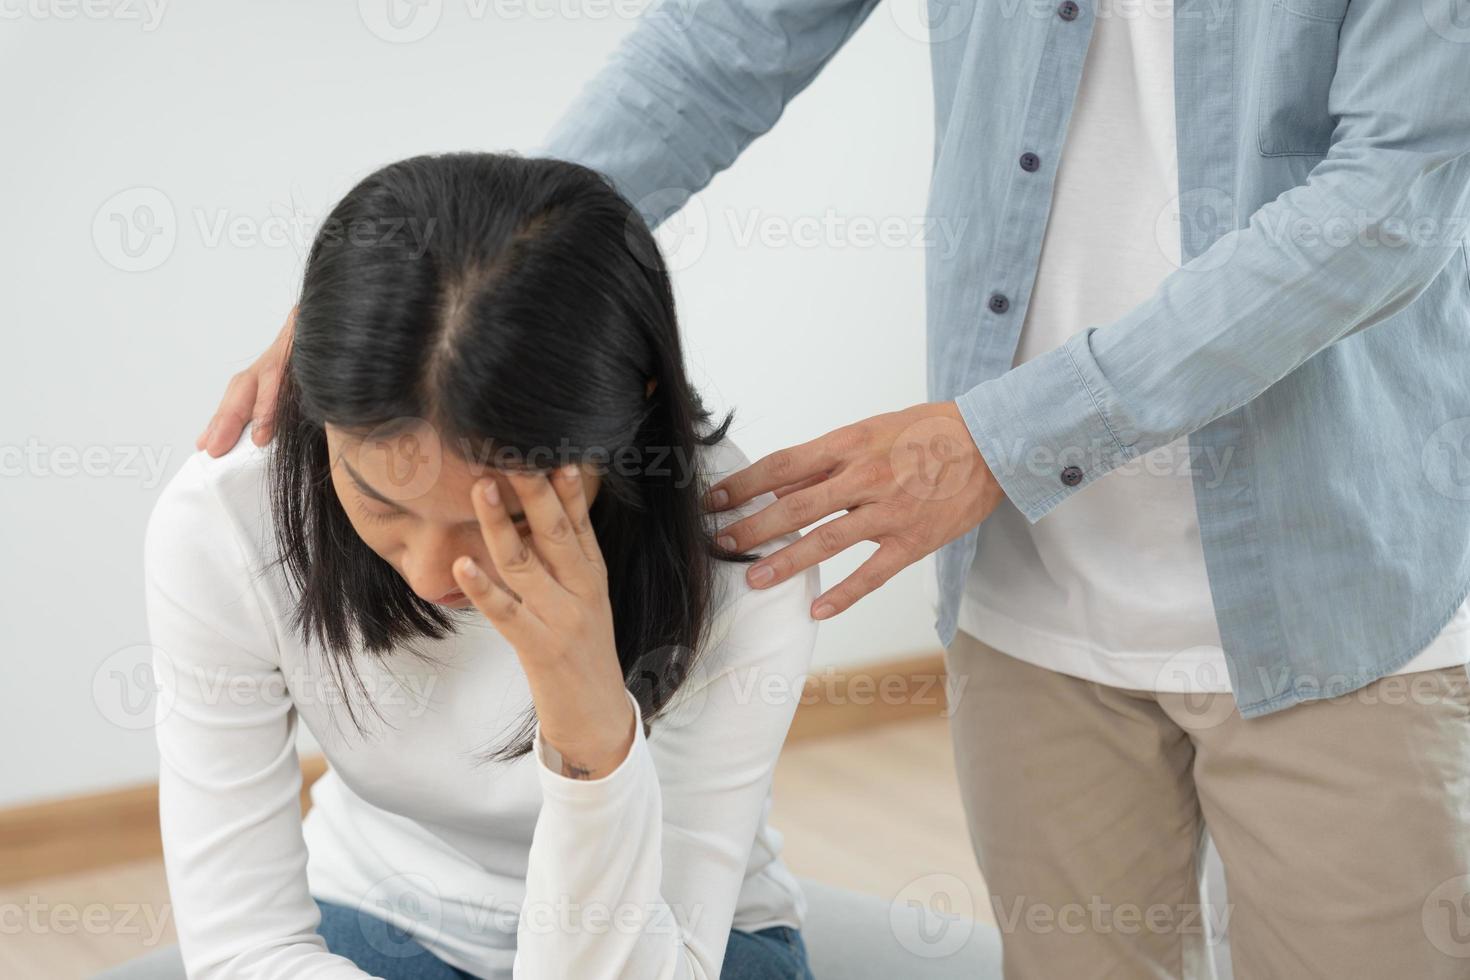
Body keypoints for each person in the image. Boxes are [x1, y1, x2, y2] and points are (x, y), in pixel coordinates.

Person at [201, 0, 1470, 976]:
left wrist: (1009, 434)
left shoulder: (736, 563)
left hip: (1337, 580)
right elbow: (722, 44)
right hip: (1028, 583)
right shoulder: (220, 527)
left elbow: (1390, 201)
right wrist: (446, 304)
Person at [146, 151, 821, 979]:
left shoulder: (737, 556)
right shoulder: (229, 516)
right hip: (384, 913)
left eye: (493, 518)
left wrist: (587, 720)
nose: (432, 576)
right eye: (379, 500)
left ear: (626, 418)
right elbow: (245, 948)